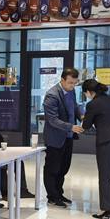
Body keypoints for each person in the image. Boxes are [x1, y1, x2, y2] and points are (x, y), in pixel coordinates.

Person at [81, 79, 110, 219]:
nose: (86, 96)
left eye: (85, 93)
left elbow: (86, 125)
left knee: (105, 176)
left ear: (89, 92)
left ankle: (105, 209)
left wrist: (85, 119)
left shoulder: (92, 104)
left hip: (106, 141)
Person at [42, 68, 84, 208]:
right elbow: (52, 120)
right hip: (55, 138)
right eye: (70, 83)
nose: (73, 86)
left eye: (75, 83)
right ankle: (52, 197)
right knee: (52, 168)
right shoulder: (52, 95)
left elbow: (75, 106)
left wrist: (82, 116)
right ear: (62, 80)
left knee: (63, 168)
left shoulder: (71, 91)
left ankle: (59, 193)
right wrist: (71, 127)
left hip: (68, 136)